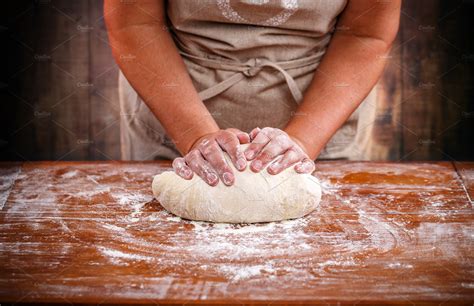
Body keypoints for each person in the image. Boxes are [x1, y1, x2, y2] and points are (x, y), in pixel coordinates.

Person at [105, 0, 401, 186]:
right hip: (172, 123)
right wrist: (196, 137)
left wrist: (301, 141)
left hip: (324, 123)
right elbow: (135, 23)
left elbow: (365, 34)